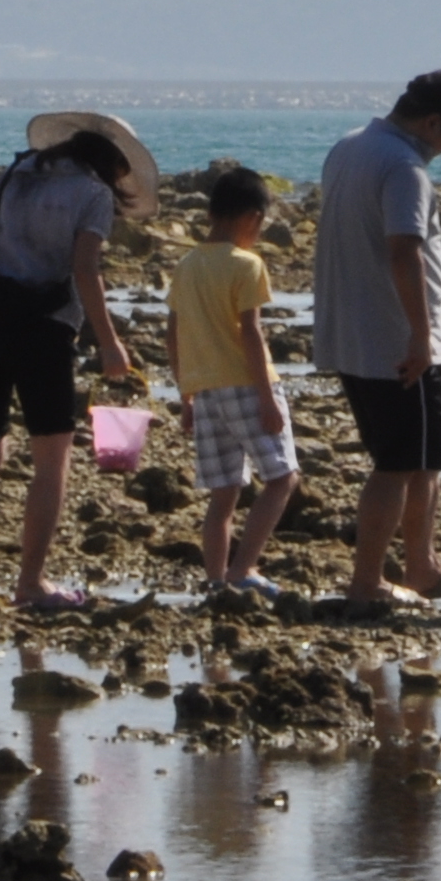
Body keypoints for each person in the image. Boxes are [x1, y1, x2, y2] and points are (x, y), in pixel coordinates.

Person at [0, 112, 155, 614]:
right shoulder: (92, 195)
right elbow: (85, 271)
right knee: (51, 461)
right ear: (112, 165)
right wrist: (109, 343)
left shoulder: (12, 176)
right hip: (44, 330)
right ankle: (30, 583)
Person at [313, 69, 441, 607]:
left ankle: (422, 565)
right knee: (397, 465)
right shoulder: (405, 167)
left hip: (353, 331)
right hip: (397, 339)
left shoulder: (349, 147)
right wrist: (419, 335)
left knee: (425, 457)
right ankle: (368, 583)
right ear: (433, 122)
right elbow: (404, 250)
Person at [166, 165, 297, 598]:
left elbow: (174, 333)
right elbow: (252, 334)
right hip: (245, 383)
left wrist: (186, 396)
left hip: (204, 390)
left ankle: (216, 579)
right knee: (281, 478)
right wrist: (267, 396)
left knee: (223, 493)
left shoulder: (186, 265)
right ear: (252, 218)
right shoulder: (246, 264)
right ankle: (244, 568)